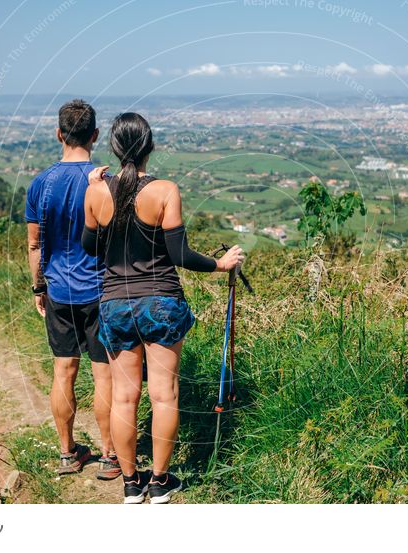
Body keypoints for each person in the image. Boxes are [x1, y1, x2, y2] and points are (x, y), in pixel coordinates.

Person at [82, 112, 244, 504]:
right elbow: (179, 254)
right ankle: (159, 481)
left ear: (115, 148)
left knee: (124, 397)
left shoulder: (95, 192)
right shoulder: (165, 191)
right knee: (164, 394)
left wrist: (95, 188)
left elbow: (89, 248)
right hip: (161, 302)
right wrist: (221, 264)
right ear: (150, 147)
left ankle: (129, 483)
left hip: (115, 304)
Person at [25, 99, 120, 480]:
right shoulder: (105, 183)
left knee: (63, 370)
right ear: (95, 136)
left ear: (59, 134)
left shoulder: (40, 184)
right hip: (100, 290)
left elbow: (34, 244)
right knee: (104, 375)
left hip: (59, 290)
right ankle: (110, 456)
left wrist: (38, 287)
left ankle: (67, 454)